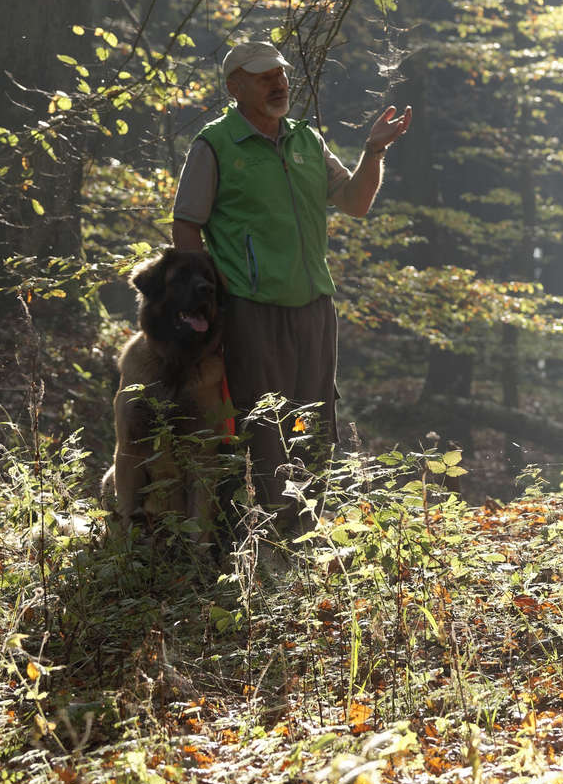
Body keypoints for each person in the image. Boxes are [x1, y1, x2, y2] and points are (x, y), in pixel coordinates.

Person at [172, 40, 412, 531]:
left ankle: (303, 534)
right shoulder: (214, 145)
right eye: (264, 77)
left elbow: (354, 202)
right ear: (235, 86)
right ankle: (263, 544)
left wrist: (374, 150)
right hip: (251, 310)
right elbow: (186, 225)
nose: (279, 83)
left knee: (314, 422)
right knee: (264, 427)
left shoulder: (306, 140)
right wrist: (207, 299)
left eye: (281, 73)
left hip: (315, 308)